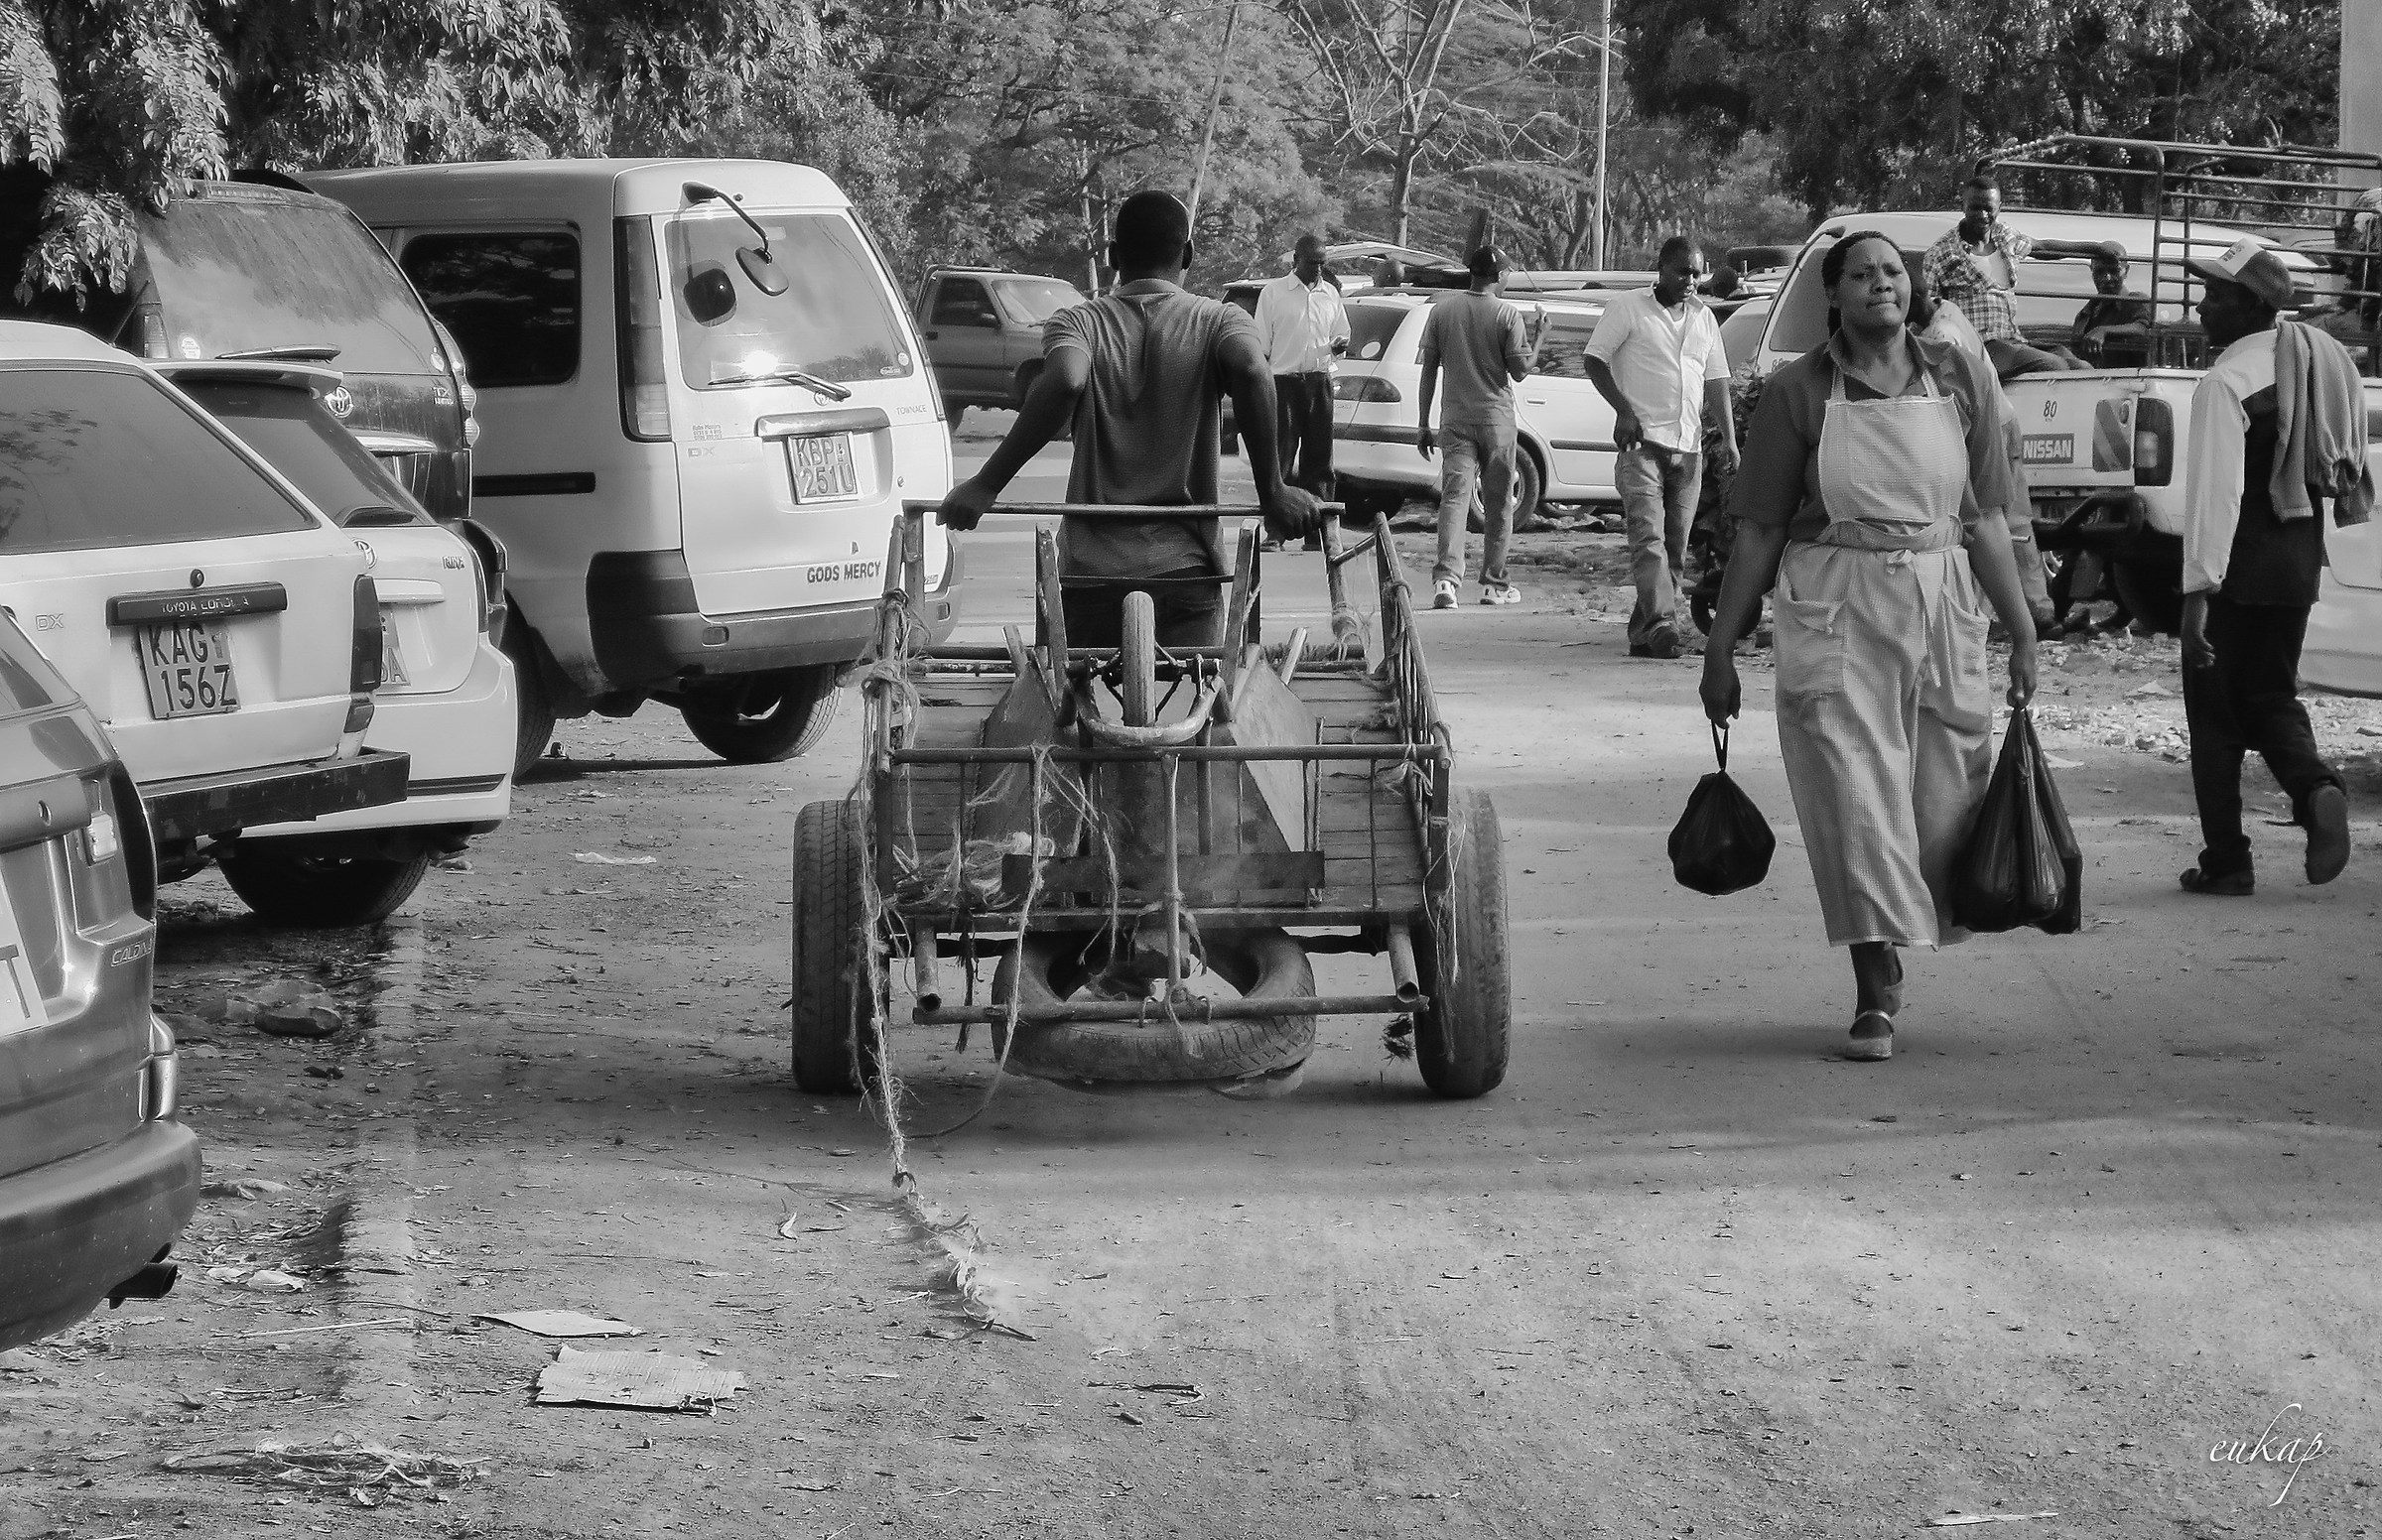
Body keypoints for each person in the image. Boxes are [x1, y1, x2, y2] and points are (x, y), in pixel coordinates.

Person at [1700, 231, 2040, 1064]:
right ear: (1835, 295)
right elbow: (1761, 530)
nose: (1881, 286)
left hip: (1941, 595)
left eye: (1893, 272)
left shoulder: (1960, 376)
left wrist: (2023, 626)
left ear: (1909, 289)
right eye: (1862, 276)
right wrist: (1720, 645)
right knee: (1850, 793)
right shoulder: (1796, 392)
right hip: (1835, 600)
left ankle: (1909, 930)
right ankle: (1873, 981)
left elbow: (1990, 515)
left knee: (1941, 792)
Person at [938, 190, 1319, 646]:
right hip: (1187, 573)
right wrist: (1272, 490)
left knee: (1069, 699)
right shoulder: (1220, 320)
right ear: (1189, 255)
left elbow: (1065, 381)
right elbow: (1253, 370)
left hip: (1089, 574)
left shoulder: (1078, 323)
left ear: (1115, 256)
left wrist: (986, 484)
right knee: (1200, 700)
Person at [2175, 239, 2360, 896]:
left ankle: (2227, 860)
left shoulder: (2227, 382)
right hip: (2297, 562)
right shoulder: (2316, 362)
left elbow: (2216, 497)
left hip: (2235, 569)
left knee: (2216, 716)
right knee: (2271, 695)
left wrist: (2198, 590)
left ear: (2251, 304)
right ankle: (2315, 791)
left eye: (2216, 295)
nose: (2202, 307)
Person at [1584, 236, 1738, 657]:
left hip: (1688, 449)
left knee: (1674, 546)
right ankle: (1663, 624)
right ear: (1661, 269)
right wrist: (1623, 410)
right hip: (1642, 445)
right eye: (1683, 271)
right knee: (1647, 536)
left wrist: (1729, 440)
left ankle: (1646, 631)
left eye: (1697, 272)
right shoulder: (1628, 308)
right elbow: (1594, 359)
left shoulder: (1705, 319)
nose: (1691, 280)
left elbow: (1716, 381)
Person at [1415, 246, 1531, 609]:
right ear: (1499, 276)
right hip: (1497, 422)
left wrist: (1423, 422)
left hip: (1455, 421)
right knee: (1499, 505)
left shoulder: (1441, 310)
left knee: (1454, 499)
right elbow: (1521, 371)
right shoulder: (1507, 314)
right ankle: (1494, 585)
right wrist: (1541, 335)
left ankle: (1446, 583)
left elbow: (1428, 370)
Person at [1921, 177, 2088, 375]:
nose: (1982, 215)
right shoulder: (1942, 252)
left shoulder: (2004, 236)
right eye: (1975, 208)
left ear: (1999, 208)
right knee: (2052, 366)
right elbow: (1925, 308)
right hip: (1978, 347)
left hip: (2013, 340)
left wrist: (2097, 249)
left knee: (2081, 367)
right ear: (1963, 206)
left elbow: (2042, 248)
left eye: (1988, 208)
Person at [1254, 234, 1351, 544]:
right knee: (1280, 458)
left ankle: (1318, 531)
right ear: (1296, 261)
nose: (1319, 269)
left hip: (1319, 382)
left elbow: (1341, 333)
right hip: (1283, 384)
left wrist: (1339, 345)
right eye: (1313, 263)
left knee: (1319, 462)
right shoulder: (1274, 293)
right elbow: (1261, 345)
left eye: (1323, 263)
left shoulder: (1330, 295)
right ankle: (1276, 531)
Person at [2070, 243, 2152, 350]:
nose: (2107, 278)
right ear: (2092, 270)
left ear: (2126, 270)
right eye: (2099, 272)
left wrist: (2104, 331)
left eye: (2114, 271)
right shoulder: (2086, 313)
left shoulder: (2135, 301)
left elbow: (2144, 328)